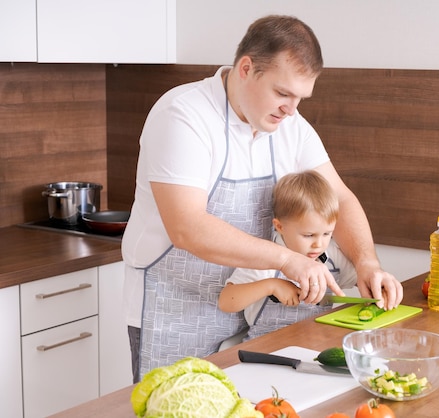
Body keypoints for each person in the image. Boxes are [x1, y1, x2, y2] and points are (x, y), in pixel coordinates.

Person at [121, 14, 404, 382]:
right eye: (283, 93)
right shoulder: (183, 115)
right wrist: (288, 260)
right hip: (175, 311)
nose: (291, 109)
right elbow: (187, 227)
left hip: (251, 309)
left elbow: (341, 199)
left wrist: (367, 263)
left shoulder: (292, 128)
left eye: (301, 98)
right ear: (246, 68)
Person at [218, 170, 358, 340]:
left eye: (327, 234)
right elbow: (226, 301)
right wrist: (271, 285)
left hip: (317, 343)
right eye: (308, 235)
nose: (319, 244)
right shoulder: (264, 259)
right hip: (266, 348)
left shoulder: (331, 256)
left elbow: (359, 279)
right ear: (280, 226)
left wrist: (378, 284)